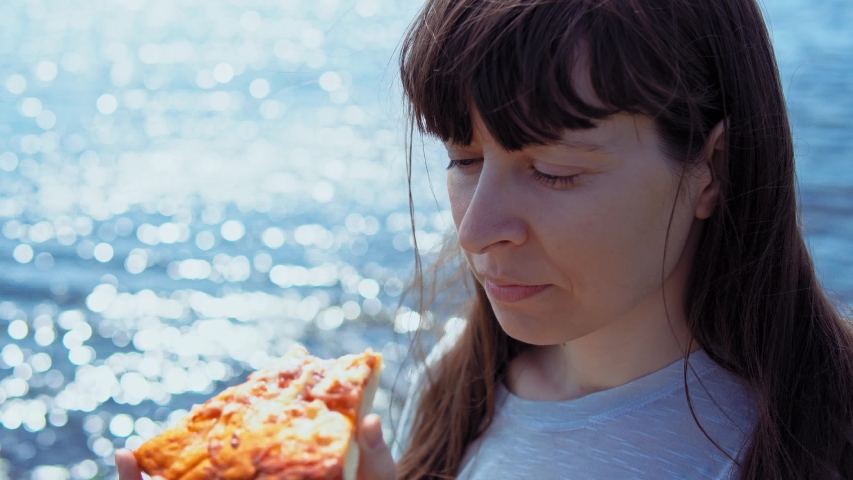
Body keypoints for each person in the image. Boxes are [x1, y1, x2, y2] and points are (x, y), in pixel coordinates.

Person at [118, 0, 853, 478]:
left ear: (710, 170)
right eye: (463, 160)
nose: (474, 231)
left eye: (555, 172)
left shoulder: (792, 450)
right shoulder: (455, 381)